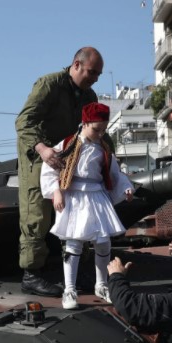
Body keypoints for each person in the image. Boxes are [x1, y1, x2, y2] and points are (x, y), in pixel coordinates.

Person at [16, 47, 105, 297]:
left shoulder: (90, 95)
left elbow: (94, 129)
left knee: (77, 211)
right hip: (38, 154)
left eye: (98, 74)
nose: (95, 78)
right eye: (91, 72)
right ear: (76, 65)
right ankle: (31, 274)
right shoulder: (49, 84)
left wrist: (106, 157)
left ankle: (77, 270)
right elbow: (24, 121)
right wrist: (43, 149)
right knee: (38, 214)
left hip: (68, 157)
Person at [40, 102, 134, 309]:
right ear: (84, 123)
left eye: (103, 129)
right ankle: (69, 289)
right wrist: (56, 191)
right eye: (96, 129)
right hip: (73, 195)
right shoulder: (67, 145)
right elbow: (50, 169)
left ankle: (101, 285)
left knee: (103, 243)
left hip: (97, 195)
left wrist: (125, 187)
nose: (100, 133)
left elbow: (114, 173)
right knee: (74, 243)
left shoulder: (104, 149)